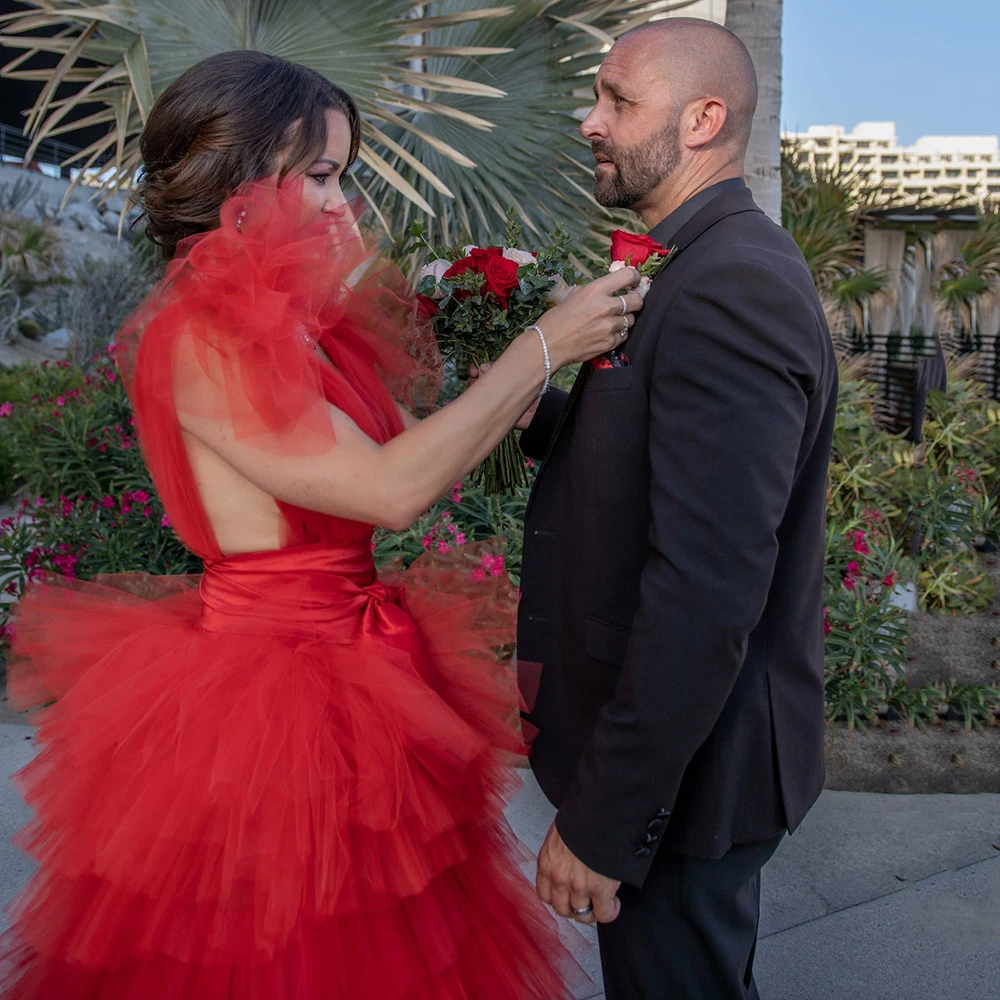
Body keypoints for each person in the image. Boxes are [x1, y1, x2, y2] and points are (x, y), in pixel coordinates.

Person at [0, 51, 643, 998]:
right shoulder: (204, 332)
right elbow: (389, 490)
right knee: (279, 952)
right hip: (271, 694)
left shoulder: (281, 324)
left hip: (346, 659)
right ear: (237, 179)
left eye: (343, 174)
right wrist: (542, 349)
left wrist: (525, 370)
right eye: (321, 174)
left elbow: (405, 457)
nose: (344, 204)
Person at [516, 18, 838, 1000]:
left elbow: (706, 589)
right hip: (687, 768)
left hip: (695, 783)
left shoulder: (730, 280)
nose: (590, 120)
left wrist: (604, 823)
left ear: (702, 121)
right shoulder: (691, 260)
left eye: (617, 100)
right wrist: (538, 415)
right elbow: (662, 459)